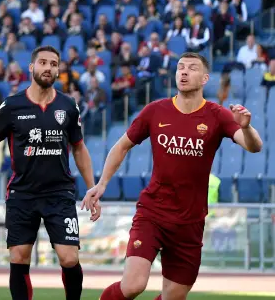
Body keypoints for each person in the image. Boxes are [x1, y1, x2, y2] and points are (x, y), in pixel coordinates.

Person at [86, 52, 262, 300]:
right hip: (153, 212)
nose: (184, 72)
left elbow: (253, 146)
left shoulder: (217, 115)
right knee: (133, 285)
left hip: (190, 222)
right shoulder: (155, 111)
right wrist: (101, 184)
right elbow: (121, 146)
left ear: (204, 78)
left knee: (173, 297)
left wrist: (246, 127)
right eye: (180, 67)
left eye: (191, 68)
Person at [0, 46, 99, 300]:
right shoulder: (12, 106)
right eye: (43, 63)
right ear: (31, 67)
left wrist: (92, 187)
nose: (48, 68)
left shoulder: (68, 106)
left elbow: (79, 148)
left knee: (69, 257)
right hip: (22, 193)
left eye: (53, 64)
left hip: (59, 193)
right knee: (19, 256)